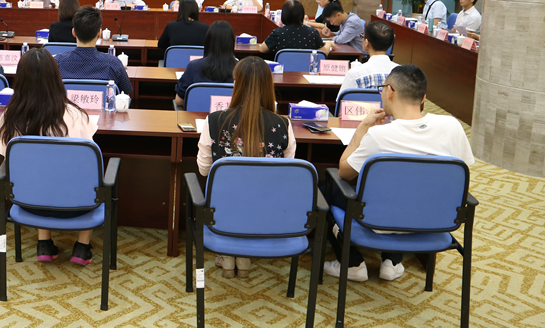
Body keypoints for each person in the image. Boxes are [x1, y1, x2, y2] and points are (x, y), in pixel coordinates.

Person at [324, 65, 475, 283]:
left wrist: (363, 128)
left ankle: (352, 264)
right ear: (423, 98)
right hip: (434, 220)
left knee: (328, 186)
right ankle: (392, 261)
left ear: (390, 91)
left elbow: (344, 172)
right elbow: (460, 176)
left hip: (382, 221)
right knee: (411, 191)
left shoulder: (379, 135)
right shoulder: (452, 127)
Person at [0, 48, 99, 265]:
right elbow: (87, 159)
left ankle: (44, 243)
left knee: (38, 174)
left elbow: (6, 159)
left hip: (28, 201)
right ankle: (82, 247)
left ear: (20, 80)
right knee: (92, 178)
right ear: (56, 78)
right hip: (77, 203)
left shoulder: (10, 117)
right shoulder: (75, 115)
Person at [196, 56, 296, 278]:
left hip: (222, 211)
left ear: (236, 84)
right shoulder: (283, 124)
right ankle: (244, 258)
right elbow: (286, 172)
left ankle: (228, 257)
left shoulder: (214, 121)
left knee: (227, 193)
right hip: (268, 210)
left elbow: (204, 170)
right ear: (269, 86)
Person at [53, 6, 132, 95]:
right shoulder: (113, 64)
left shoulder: (57, 63)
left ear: (73, 32)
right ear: (99, 33)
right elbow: (125, 95)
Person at [175, 20, 237, 106]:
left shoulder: (193, 67)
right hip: (231, 114)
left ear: (208, 42)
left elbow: (179, 101)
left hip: (196, 114)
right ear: (232, 43)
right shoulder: (241, 69)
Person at [338, 20, 398, 97]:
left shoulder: (355, 74)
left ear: (366, 42)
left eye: (362, 36)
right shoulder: (402, 74)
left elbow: (342, 101)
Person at [258, 0, 323, 59]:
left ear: (284, 14)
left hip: (283, 67)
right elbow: (322, 52)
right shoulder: (313, 32)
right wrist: (328, 44)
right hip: (306, 68)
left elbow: (262, 49)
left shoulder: (277, 33)